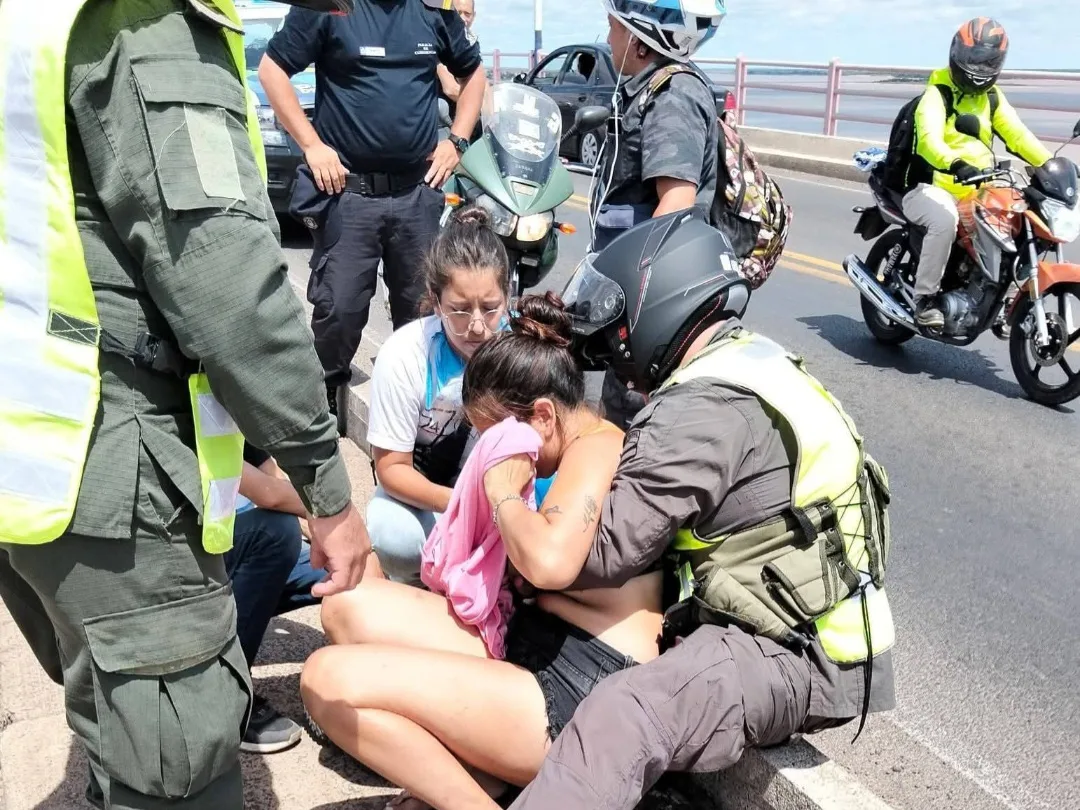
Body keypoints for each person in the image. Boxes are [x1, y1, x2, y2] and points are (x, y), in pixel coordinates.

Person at [0, 0, 372, 808]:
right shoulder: (147, 19)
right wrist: (327, 489)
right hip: (108, 462)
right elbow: (228, 290)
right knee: (178, 769)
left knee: (120, 734)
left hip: (34, 446)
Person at [499, 210, 897, 810]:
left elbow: (602, 552)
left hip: (797, 653)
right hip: (805, 629)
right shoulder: (751, 362)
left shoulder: (699, 408)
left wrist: (513, 511)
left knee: (623, 715)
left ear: (656, 304)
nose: (616, 358)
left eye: (617, 335)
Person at [301, 294, 663, 810]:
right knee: (346, 608)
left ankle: (475, 796)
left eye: (496, 440)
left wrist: (500, 491)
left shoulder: (598, 446)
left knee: (327, 679)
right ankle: (480, 770)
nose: (486, 455)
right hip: (530, 641)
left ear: (542, 416)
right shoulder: (567, 442)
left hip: (579, 693)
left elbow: (548, 563)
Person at [259, 0, 488, 426]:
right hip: (349, 195)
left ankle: (419, 419)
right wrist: (311, 145)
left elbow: (473, 74)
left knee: (422, 314)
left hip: (416, 193)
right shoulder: (330, 6)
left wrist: (456, 141)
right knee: (339, 310)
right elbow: (272, 71)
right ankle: (324, 410)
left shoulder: (433, 10)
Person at [588, 0, 726, 430]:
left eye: (614, 27)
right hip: (633, 299)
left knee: (631, 425)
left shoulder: (672, 96)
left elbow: (676, 206)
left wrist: (642, 325)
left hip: (649, 309)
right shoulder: (649, 89)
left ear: (641, 42)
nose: (608, 38)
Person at [364, 207, 509, 585]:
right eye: (459, 310)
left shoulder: (524, 351)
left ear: (508, 295)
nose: (476, 326)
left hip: (508, 502)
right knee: (396, 536)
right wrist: (464, 506)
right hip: (435, 498)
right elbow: (392, 469)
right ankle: (414, 578)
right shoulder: (405, 354)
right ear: (436, 299)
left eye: (490, 309)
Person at [903, 16, 1052, 329]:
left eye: (987, 62)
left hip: (976, 188)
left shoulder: (992, 97)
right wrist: (955, 163)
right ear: (956, 52)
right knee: (944, 221)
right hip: (932, 186)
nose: (978, 68)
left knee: (1019, 217)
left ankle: (1003, 296)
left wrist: (1050, 166)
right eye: (973, 59)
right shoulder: (937, 94)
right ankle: (925, 300)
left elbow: (1018, 135)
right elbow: (929, 140)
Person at [225, 442, 330, 754]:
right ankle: (227, 695)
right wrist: (332, 515)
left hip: (235, 541)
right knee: (277, 532)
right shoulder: (191, 415)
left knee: (347, 569)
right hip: (187, 558)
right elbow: (267, 493)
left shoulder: (232, 416)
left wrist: (329, 539)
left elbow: (274, 476)